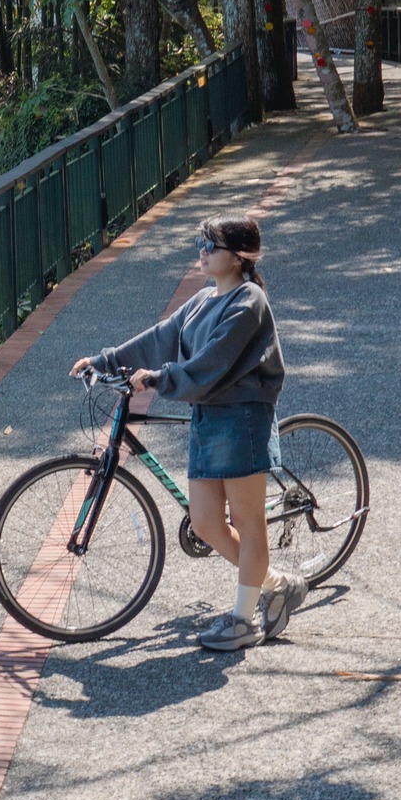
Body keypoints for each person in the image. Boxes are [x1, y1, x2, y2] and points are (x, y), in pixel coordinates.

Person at [70, 214, 307, 652]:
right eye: (200, 242)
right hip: (208, 416)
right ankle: (279, 584)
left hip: (241, 417)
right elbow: (159, 337)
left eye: (209, 244)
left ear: (237, 258)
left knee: (247, 522)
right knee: (205, 522)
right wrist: (102, 361)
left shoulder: (248, 301)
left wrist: (159, 378)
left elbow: (210, 364)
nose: (201, 250)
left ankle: (242, 622)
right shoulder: (202, 299)